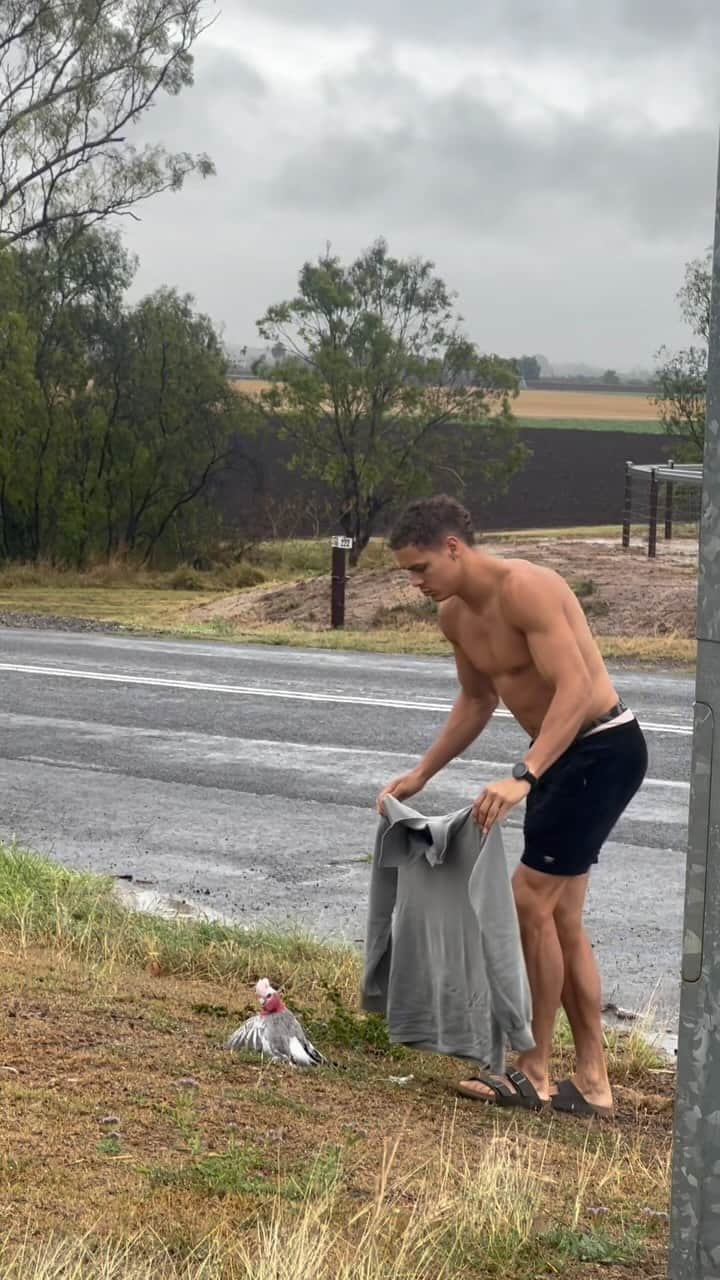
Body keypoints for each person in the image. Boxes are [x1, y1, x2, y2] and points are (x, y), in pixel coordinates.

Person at [376, 495, 648, 1116]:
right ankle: (593, 1081)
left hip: (600, 748)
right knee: (558, 918)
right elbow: (476, 702)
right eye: (407, 573)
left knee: (529, 900)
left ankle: (533, 1071)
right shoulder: (456, 617)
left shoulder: (529, 587)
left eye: (420, 568)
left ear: (453, 548)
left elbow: (577, 688)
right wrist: (421, 772)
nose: (415, 583)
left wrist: (524, 775)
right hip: (557, 755)